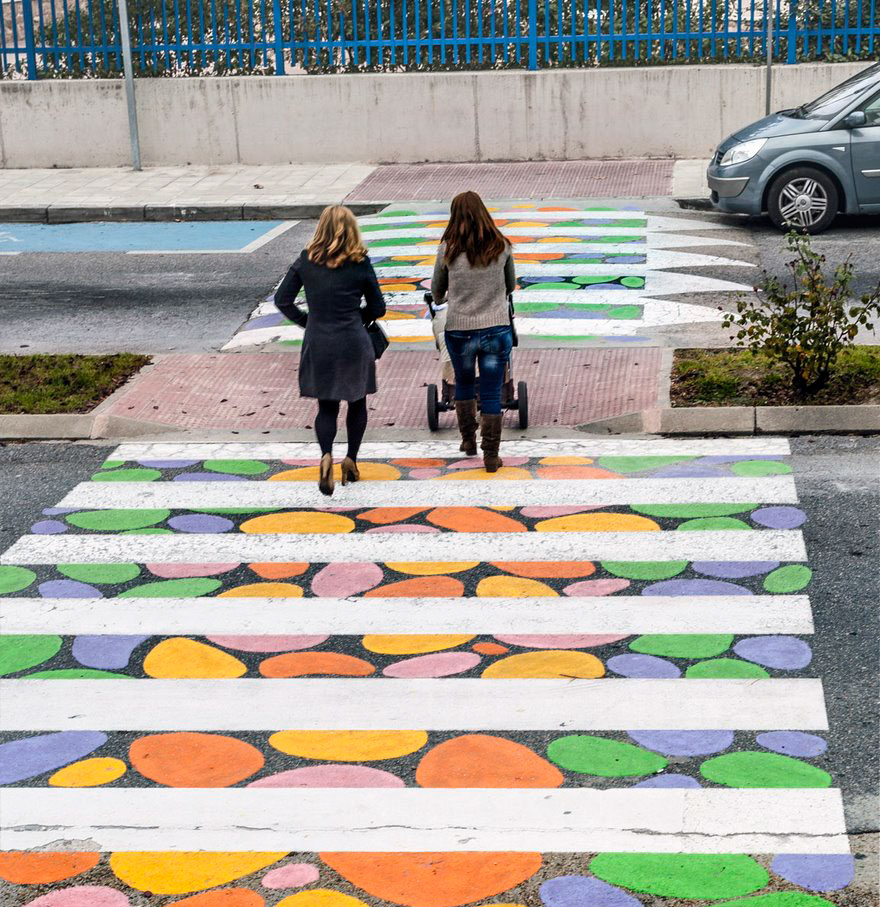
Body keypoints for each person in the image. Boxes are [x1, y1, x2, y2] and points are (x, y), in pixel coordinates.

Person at [274, 205, 386, 496]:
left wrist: (307, 321)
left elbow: (282, 299)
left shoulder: (305, 260)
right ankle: (351, 459)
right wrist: (357, 315)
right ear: (352, 230)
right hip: (353, 340)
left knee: (326, 406)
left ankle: (326, 455)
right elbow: (378, 308)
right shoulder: (360, 262)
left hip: (319, 341)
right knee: (357, 402)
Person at [431, 191, 516, 473]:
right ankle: (491, 455)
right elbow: (510, 285)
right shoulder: (502, 245)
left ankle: (468, 440)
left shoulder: (448, 249)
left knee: (464, 384)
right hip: (495, 328)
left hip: (460, 329)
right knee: (491, 391)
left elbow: (437, 292)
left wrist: (451, 295)